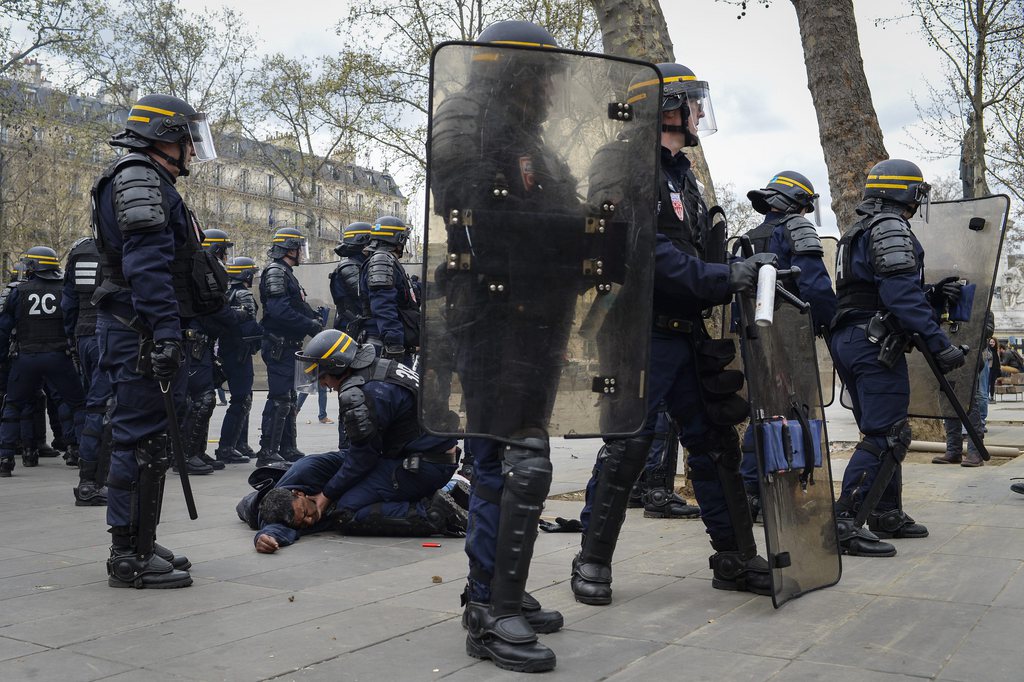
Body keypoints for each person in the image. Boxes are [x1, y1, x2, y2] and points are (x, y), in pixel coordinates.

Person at [572, 63, 778, 607]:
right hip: (637, 330)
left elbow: (689, 246)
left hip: (685, 330)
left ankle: (734, 557)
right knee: (628, 447)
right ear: (668, 108)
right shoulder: (620, 161)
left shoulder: (680, 172)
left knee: (714, 444)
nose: (701, 114)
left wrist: (738, 267)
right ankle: (591, 560)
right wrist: (719, 277)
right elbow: (640, 250)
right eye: (694, 104)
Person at [428, 21, 592, 672]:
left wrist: (602, 230)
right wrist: (564, 233)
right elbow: (483, 219)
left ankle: (505, 590)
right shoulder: (467, 119)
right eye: (545, 74)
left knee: (524, 460)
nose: (554, 87)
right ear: (514, 71)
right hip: (496, 313)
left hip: (535, 311)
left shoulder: (524, 131)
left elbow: (559, 205)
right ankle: (486, 611)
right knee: (507, 464)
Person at [92, 92, 223, 588]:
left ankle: (139, 538)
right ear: (166, 136)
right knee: (137, 438)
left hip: (137, 328)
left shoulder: (142, 177)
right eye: (188, 137)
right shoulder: (141, 178)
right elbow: (147, 267)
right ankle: (127, 555)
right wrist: (166, 334)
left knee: (149, 438)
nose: (193, 149)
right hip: (140, 331)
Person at [829, 158, 965, 557]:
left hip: (854, 338)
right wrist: (940, 343)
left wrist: (933, 298)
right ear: (905, 191)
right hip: (873, 343)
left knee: (883, 431)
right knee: (888, 434)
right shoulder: (889, 227)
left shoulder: (858, 229)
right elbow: (897, 296)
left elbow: (874, 291)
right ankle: (844, 521)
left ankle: (885, 512)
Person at [241, 329, 462, 551]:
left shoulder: (363, 392)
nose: (324, 384)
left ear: (337, 366)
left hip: (424, 465)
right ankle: (440, 496)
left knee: (346, 511)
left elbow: (363, 457)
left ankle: (434, 513)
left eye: (323, 376)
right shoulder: (381, 368)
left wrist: (326, 495)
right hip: (423, 455)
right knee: (324, 474)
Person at [737, 170, 837, 517]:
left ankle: (751, 491)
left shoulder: (747, 239)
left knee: (762, 413)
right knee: (793, 412)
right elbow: (814, 285)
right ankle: (782, 491)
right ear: (798, 203)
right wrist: (831, 322)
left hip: (751, 338)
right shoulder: (796, 228)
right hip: (787, 334)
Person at [0, 247, 86, 477]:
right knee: (76, 404)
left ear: (34, 267)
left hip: (26, 357)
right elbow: (72, 320)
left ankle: (5, 457)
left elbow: (5, 328)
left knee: (14, 405)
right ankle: (78, 450)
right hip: (59, 356)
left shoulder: (19, 291)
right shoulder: (64, 289)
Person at [256, 226, 324, 467]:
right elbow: (279, 310)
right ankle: (267, 451)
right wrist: (310, 325)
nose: (301, 253)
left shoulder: (285, 272)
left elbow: (293, 305)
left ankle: (287, 447)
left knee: (289, 397)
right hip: (279, 345)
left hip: (288, 345)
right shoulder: (276, 272)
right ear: (289, 249)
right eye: (298, 248)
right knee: (279, 398)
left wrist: (313, 317)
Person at [61, 237, 111, 504]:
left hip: (84, 334)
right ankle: (91, 482)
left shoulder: (78, 250)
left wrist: (72, 338)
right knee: (103, 407)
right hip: (112, 333)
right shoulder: (121, 244)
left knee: (96, 405)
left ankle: (94, 478)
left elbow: (67, 303)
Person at [214, 256, 262, 463]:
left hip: (226, 350)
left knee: (242, 399)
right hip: (239, 352)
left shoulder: (225, 292)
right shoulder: (243, 294)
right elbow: (249, 323)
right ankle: (227, 447)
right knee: (241, 399)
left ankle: (238, 444)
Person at [359, 215, 418, 364]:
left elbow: (403, 298)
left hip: (386, 340)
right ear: (397, 239)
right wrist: (394, 343)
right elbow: (383, 305)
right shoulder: (382, 260)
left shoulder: (387, 260)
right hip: (383, 344)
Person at [329, 221, 371, 337]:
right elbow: (365, 295)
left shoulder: (360, 265)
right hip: (350, 330)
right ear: (363, 244)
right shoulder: (350, 266)